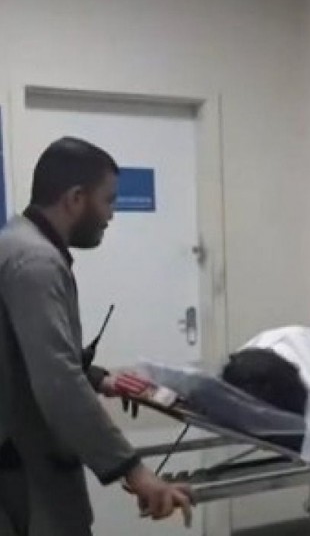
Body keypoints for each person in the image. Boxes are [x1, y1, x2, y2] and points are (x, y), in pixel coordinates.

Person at [0, 137, 193, 536]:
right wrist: (134, 470)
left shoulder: (15, 242)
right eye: (108, 200)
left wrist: (101, 379)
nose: (111, 214)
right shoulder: (36, 262)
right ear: (75, 198)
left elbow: (26, 354)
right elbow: (57, 382)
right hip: (26, 474)